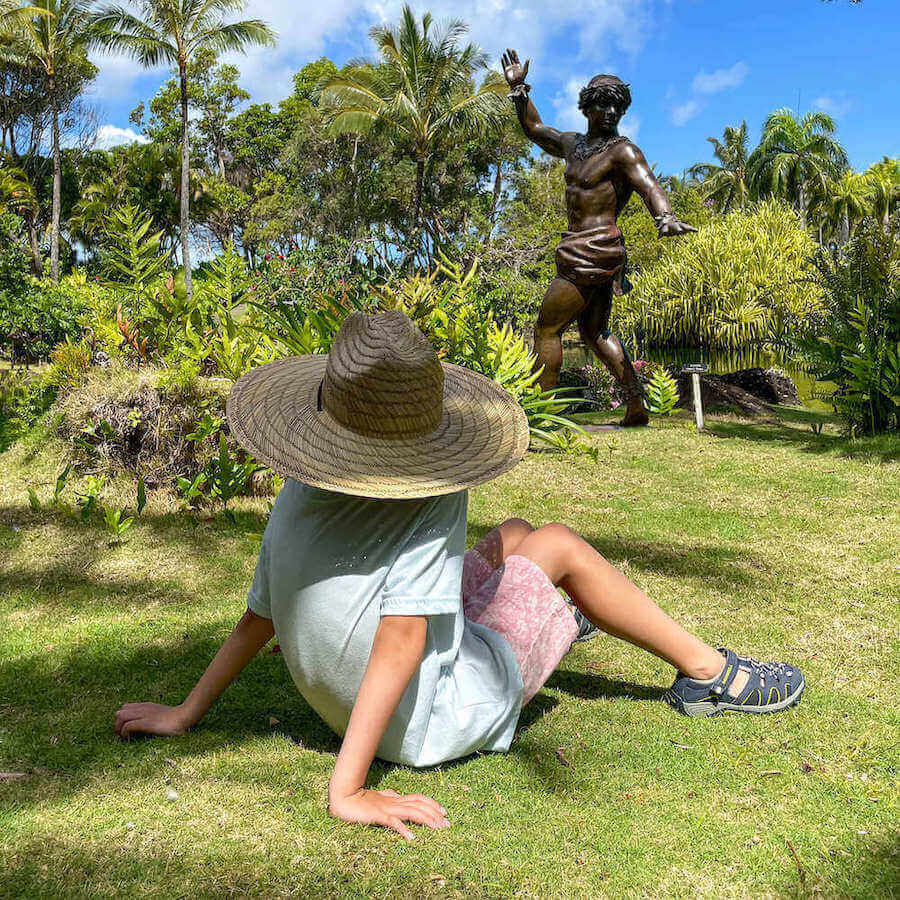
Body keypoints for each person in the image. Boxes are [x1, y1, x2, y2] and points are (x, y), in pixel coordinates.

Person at [113, 311, 804, 841]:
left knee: (513, 537)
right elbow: (404, 638)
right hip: (428, 719)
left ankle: (574, 616)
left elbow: (257, 615)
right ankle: (712, 674)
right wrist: (346, 790)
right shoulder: (431, 487)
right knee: (557, 544)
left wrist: (186, 712)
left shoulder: (302, 482)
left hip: (338, 700)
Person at [502, 49, 697, 426]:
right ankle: (636, 406)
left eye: (617, 108)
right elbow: (534, 129)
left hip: (593, 251)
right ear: (587, 107)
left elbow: (649, 185)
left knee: (547, 328)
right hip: (585, 249)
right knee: (594, 332)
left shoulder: (624, 151)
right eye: (604, 106)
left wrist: (665, 216)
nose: (611, 114)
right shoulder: (572, 144)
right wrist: (520, 89)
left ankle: (542, 416)